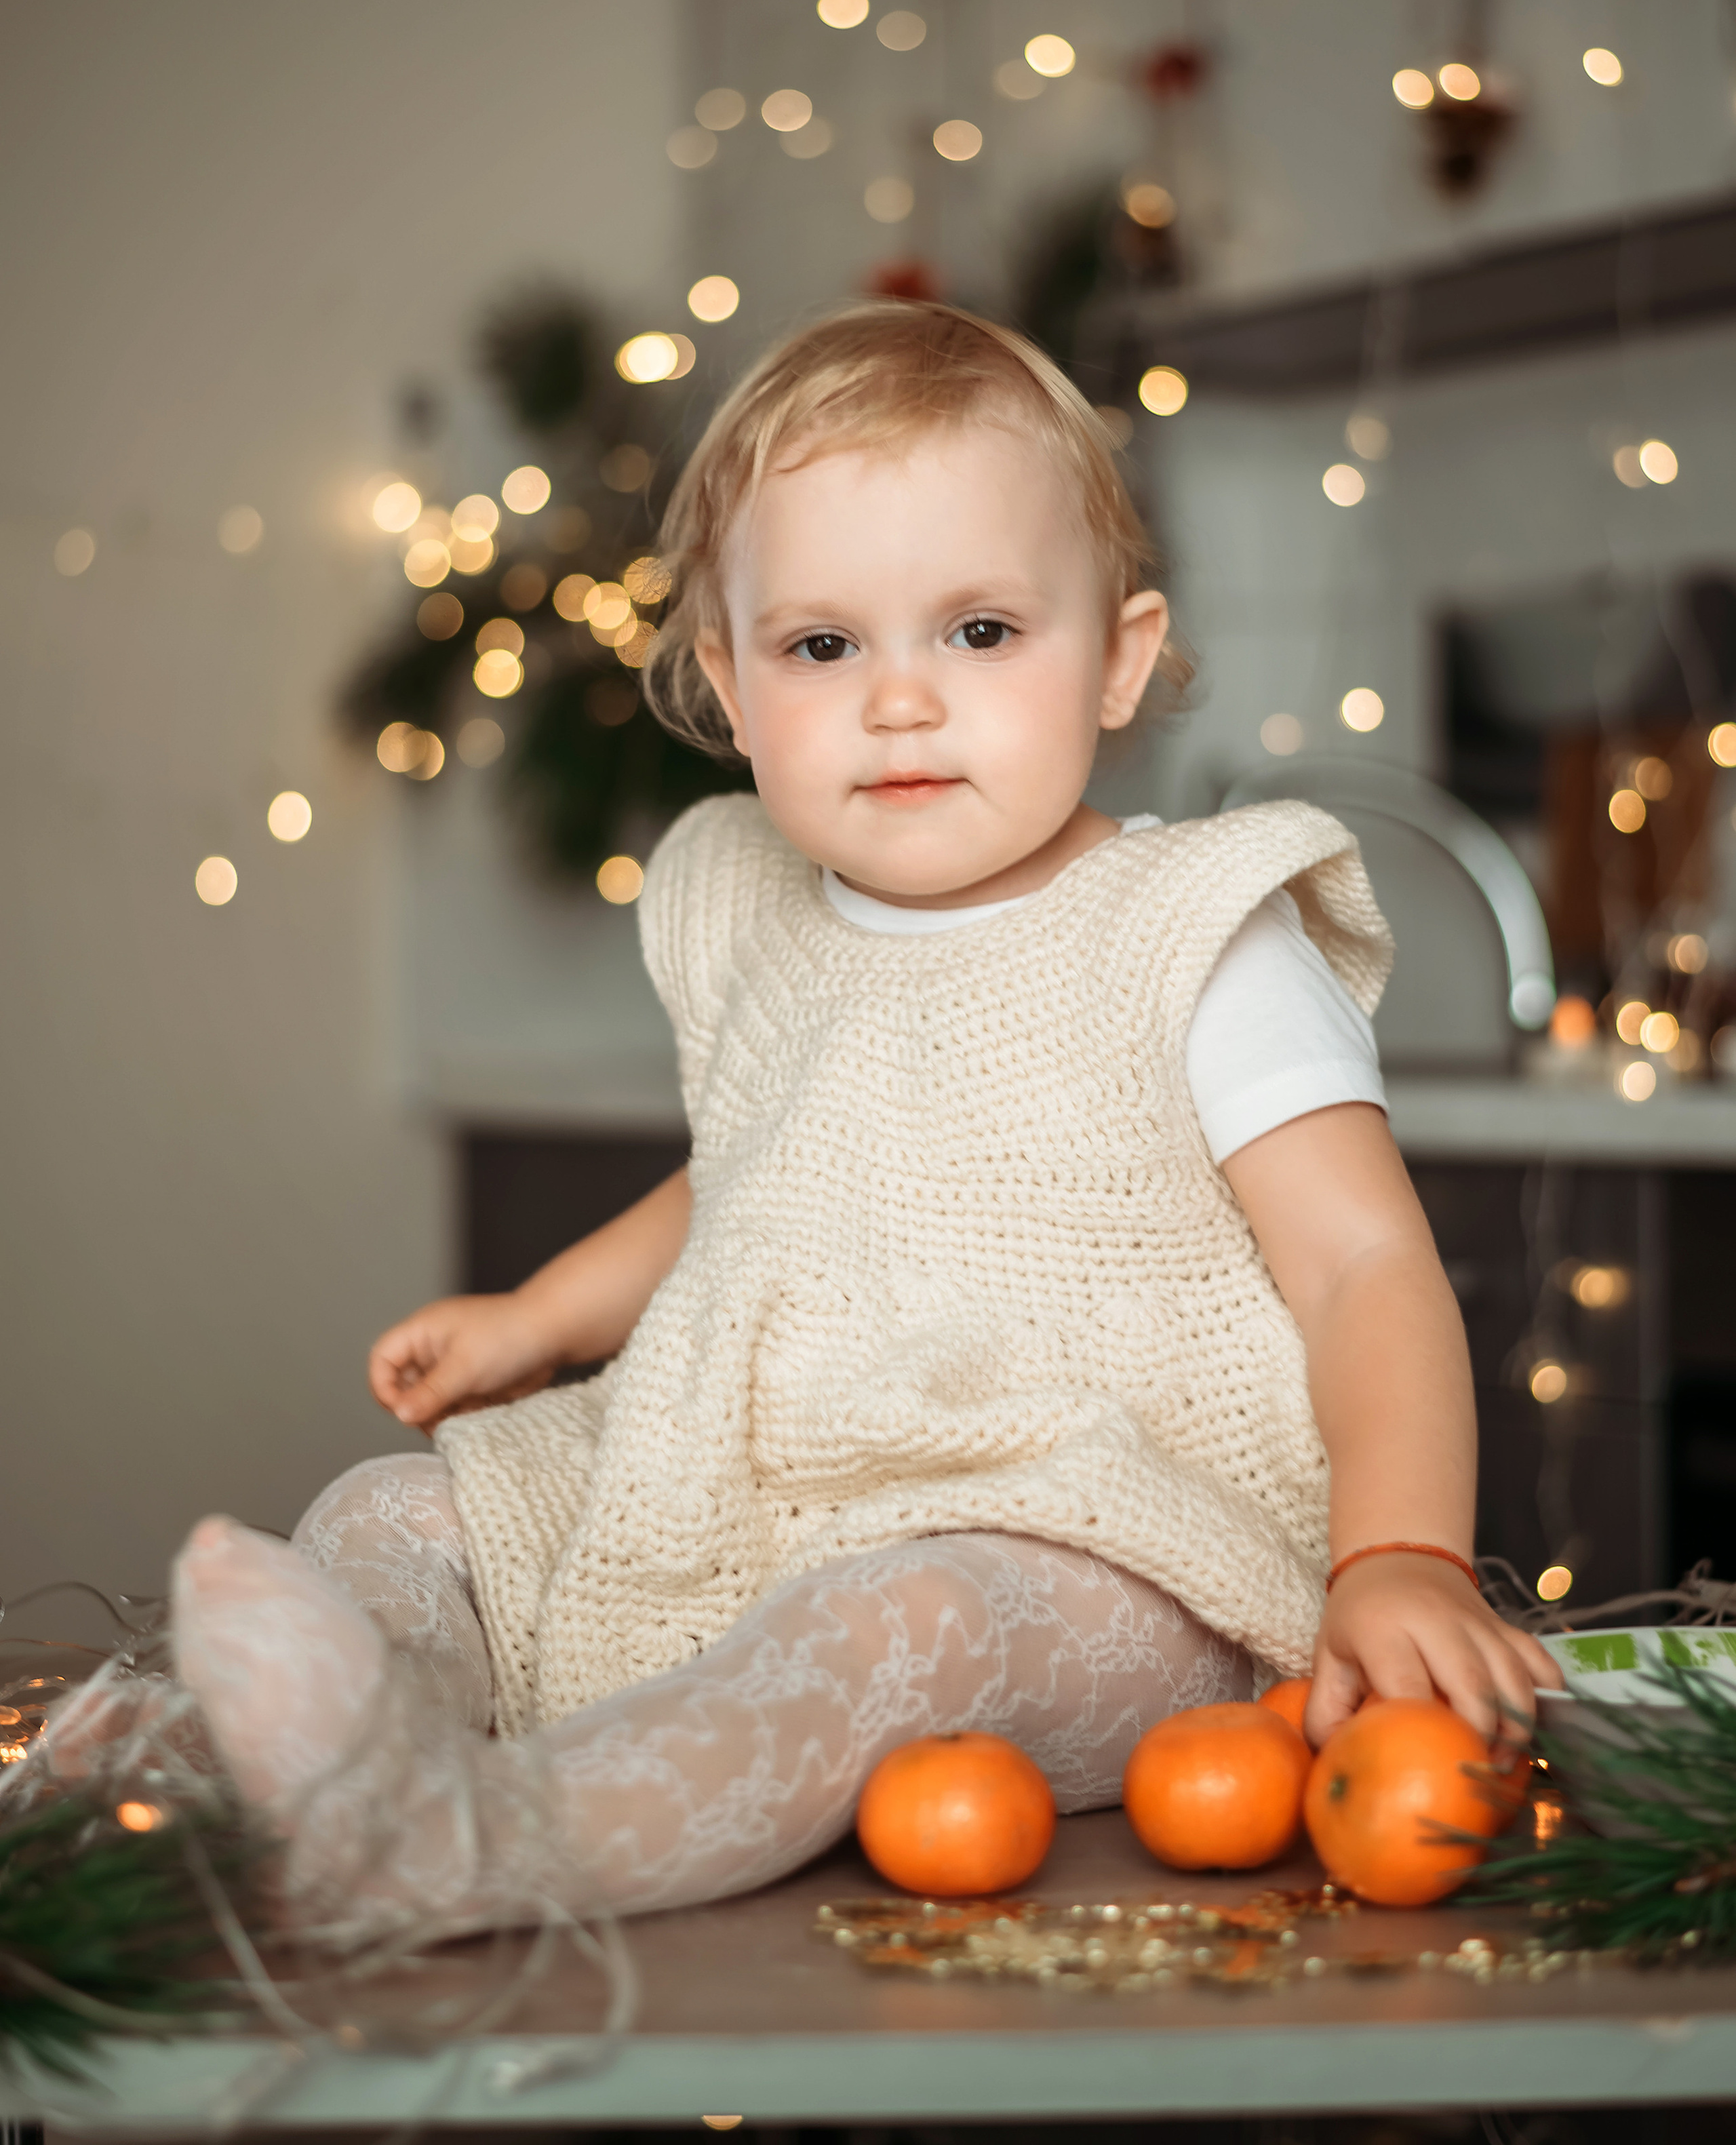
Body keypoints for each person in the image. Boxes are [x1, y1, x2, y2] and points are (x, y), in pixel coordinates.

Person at [160, 300, 1558, 1939]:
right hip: (756, 1478)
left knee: (904, 1620)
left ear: (1114, 657)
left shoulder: (1190, 929)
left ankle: (476, 1841)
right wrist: (540, 1318)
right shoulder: (753, 914)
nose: (899, 700)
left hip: (1101, 1537)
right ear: (730, 693)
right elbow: (762, 1178)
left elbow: (1360, 1267)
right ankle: (305, 1785)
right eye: (822, 647)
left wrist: (1398, 1553)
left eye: (977, 632)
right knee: (387, 1511)